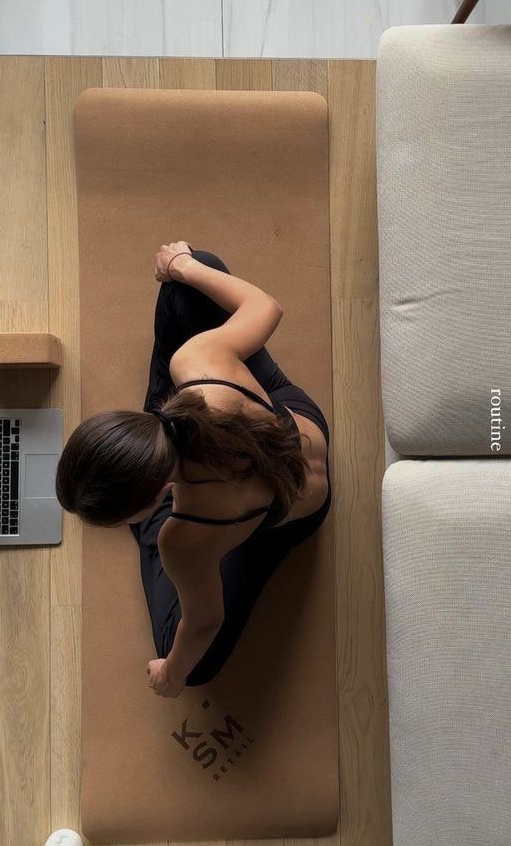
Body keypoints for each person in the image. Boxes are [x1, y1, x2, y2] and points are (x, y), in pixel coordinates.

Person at [56, 243, 331, 698]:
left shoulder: (183, 539)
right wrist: (181, 265)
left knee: (189, 660)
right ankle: (186, 270)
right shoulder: (197, 365)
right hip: (295, 422)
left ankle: (138, 507)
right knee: (188, 281)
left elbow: (204, 623)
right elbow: (266, 306)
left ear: (159, 496)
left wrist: (172, 675)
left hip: (287, 516)